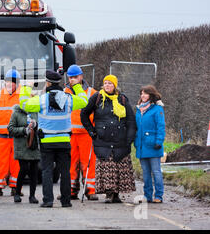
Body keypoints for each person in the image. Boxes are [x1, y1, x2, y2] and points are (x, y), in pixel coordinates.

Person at [20, 70, 88, 208]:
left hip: (46, 142)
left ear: (48, 83)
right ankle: (66, 201)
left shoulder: (41, 100)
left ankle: (48, 200)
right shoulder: (68, 99)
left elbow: (24, 104)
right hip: (64, 141)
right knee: (65, 172)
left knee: (46, 172)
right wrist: (76, 86)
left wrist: (27, 87)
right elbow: (84, 101)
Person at [80, 75, 137, 203]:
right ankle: (108, 194)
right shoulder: (97, 98)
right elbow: (84, 114)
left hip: (120, 140)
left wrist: (129, 138)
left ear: (115, 85)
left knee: (118, 168)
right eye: (105, 83)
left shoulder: (122, 99)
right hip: (103, 140)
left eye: (110, 83)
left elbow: (130, 120)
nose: (107, 85)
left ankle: (115, 194)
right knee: (106, 167)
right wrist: (91, 131)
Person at [64, 65, 98, 201]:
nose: (72, 80)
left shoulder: (92, 93)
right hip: (69, 134)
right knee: (70, 163)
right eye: (70, 77)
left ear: (81, 77)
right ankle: (71, 189)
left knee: (88, 163)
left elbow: (98, 114)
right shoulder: (64, 92)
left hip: (86, 134)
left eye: (75, 77)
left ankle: (90, 190)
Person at [0, 69, 22, 197]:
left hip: (17, 136)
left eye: (13, 82)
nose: (10, 84)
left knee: (16, 162)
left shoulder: (23, 95)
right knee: (1, 162)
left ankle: (16, 187)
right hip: (2, 135)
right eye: (8, 81)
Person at [7, 89, 40, 204]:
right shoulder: (16, 113)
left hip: (34, 145)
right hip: (22, 146)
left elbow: (42, 126)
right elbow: (10, 129)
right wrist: (24, 130)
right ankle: (17, 193)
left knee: (34, 171)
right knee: (24, 169)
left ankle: (32, 196)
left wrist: (36, 125)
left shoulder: (36, 112)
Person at [134, 85, 166, 203]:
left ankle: (158, 195)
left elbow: (161, 126)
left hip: (153, 145)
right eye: (141, 93)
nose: (143, 96)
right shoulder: (138, 110)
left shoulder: (157, 109)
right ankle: (147, 195)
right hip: (142, 146)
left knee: (156, 171)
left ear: (151, 95)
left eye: (145, 93)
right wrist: (136, 142)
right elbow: (136, 128)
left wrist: (159, 141)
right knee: (146, 173)